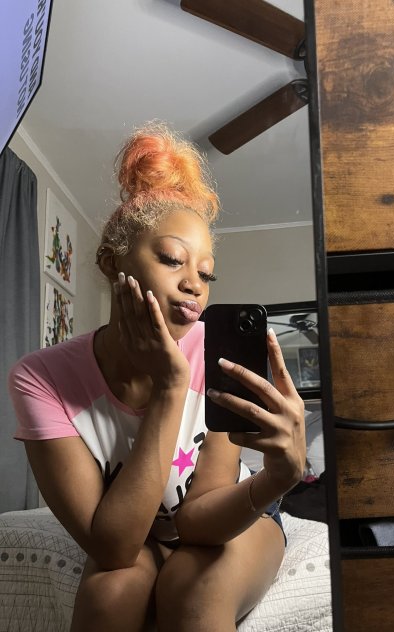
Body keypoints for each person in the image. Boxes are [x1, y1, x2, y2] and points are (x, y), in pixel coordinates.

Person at [8, 121, 306, 632]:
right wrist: (170, 388)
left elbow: (199, 523)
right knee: (110, 592)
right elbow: (114, 549)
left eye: (206, 273)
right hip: (132, 533)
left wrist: (279, 477)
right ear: (111, 263)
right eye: (172, 259)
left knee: (193, 588)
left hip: (230, 517)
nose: (194, 285)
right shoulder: (40, 379)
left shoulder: (216, 354)